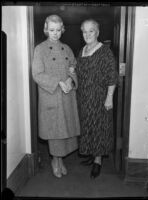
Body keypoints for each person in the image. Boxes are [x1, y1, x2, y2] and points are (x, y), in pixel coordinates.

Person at [32, 15, 80, 178]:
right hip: (51, 95)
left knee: (65, 131)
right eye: (52, 30)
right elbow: (37, 74)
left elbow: (73, 66)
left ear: (62, 30)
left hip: (66, 95)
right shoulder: (40, 49)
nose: (55, 33)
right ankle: (55, 161)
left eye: (58, 30)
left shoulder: (67, 48)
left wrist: (70, 79)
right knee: (55, 131)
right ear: (46, 29)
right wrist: (59, 82)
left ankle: (61, 160)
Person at [76, 19, 118, 179]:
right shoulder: (82, 50)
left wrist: (109, 98)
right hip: (83, 98)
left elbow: (112, 77)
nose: (87, 34)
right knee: (87, 126)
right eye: (84, 31)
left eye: (91, 31)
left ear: (97, 32)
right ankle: (91, 154)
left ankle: (98, 160)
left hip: (99, 97)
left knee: (99, 127)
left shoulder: (105, 51)